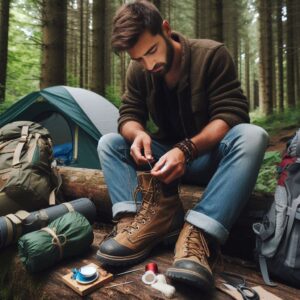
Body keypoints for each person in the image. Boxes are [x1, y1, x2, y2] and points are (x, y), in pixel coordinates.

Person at [97, 0, 268, 291]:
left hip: (206, 159)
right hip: (163, 160)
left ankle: (198, 236)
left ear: (166, 29)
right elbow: (128, 115)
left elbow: (232, 114)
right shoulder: (139, 71)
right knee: (110, 143)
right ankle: (135, 224)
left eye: (152, 51)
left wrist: (186, 150)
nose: (149, 65)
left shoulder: (212, 55)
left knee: (253, 136)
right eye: (139, 59)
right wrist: (137, 133)